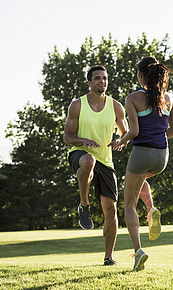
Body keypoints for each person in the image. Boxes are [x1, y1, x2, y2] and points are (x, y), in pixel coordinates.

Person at [114, 57, 173, 271]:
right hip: (162, 157)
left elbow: (134, 132)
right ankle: (151, 210)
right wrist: (157, 137)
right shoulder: (169, 98)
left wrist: (120, 142)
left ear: (141, 74)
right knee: (139, 181)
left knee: (129, 204)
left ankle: (138, 251)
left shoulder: (132, 98)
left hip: (141, 153)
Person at [63, 65, 128, 266]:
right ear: (89, 83)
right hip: (79, 153)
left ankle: (108, 258)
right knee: (88, 161)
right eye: (98, 78)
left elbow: (126, 133)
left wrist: (120, 141)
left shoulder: (116, 106)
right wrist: (83, 141)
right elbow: (67, 137)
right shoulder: (77, 105)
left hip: (106, 161)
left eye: (105, 78)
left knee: (111, 210)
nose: (102, 81)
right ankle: (84, 205)